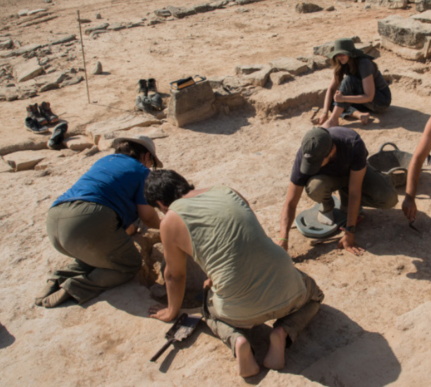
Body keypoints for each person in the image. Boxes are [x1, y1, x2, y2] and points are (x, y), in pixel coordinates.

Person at [144, 170, 324, 377]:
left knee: (207, 309)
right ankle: (282, 332)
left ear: (160, 203)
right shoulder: (226, 191)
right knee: (315, 296)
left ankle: (238, 340)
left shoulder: (170, 221)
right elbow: (245, 239)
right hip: (288, 288)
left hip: (240, 311)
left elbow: (174, 276)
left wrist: (171, 312)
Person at [35, 135, 163, 308]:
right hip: (89, 221)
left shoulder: (103, 162)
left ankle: (58, 278)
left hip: (55, 220)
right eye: (151, 162)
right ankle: (73, 288)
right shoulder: (141, 171)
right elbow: (147, 216)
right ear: (146, 156)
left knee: (101, 254)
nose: (150, 167)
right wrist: (166, 226)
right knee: (128, 264)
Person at [278, 126, 398, 255]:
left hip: (354, 173)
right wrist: (283, 238)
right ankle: (327, 205)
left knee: (388, 199)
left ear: (332, 151)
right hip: (328, 179)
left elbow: (355, 192)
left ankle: (347, 201)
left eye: (317, 163)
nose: (312, 166)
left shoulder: (353, 143)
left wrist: (349, 232)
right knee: (315, 187)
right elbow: (290, 202)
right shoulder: (307, 152)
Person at [317, 38, 391, 128]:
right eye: (337, 54)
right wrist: (325, 112)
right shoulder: (342, 64)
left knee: (349, 81)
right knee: (334, 101)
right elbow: (331, 89)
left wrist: (343, 98)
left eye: (342, 53)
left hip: (380, 101)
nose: (340, 57)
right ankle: (359, 115)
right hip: (363, 102)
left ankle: (333, 120)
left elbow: (369, 96)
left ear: (350, 54)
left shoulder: (364, 63)